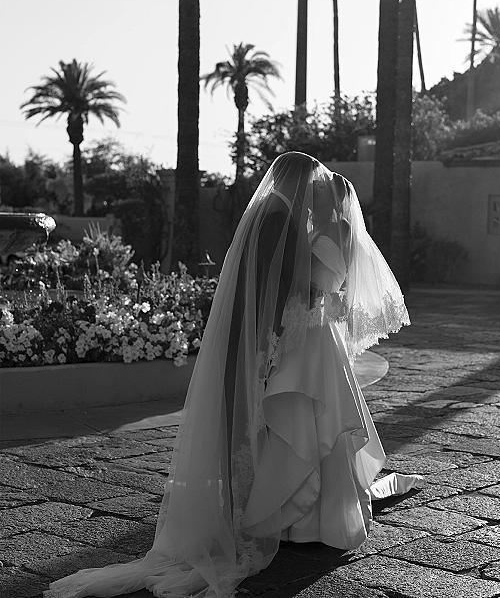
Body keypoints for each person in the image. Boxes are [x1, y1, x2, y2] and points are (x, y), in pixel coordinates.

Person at [45, 152, 422, 598]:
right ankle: (306, 517)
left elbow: (297, 286)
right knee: (308, 424)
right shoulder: (288, 220)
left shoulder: (290, 220)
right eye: (314, 187)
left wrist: (287, 325)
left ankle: (301, 517)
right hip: (311, 340)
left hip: (311, 341)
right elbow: (292, 286)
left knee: (304, 425)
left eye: (322, 192)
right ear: (303, 184)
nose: (316, 195)